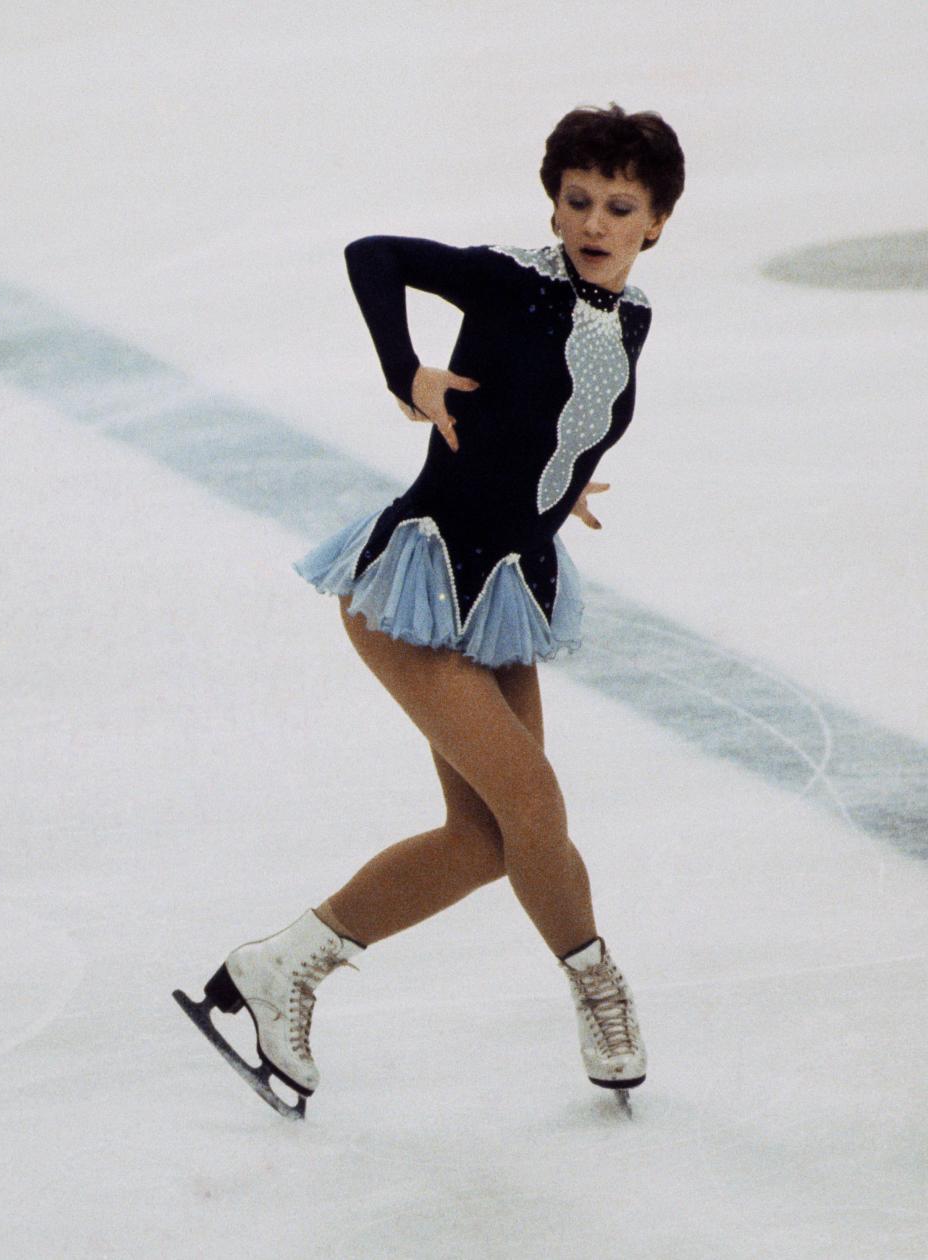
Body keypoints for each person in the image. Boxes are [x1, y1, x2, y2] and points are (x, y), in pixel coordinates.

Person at [180, 104, 686, 1115]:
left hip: (506, 589)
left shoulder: (630, 320)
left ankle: (282, 963)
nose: (592, 220)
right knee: (534, 804)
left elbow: (560, 413)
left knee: (492, 838)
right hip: (415, 585)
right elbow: (374, 256)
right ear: (555, 202)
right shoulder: (512, 280)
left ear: (655, 224)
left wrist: (555, 475)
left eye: (617, 206)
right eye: (577, 199)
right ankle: (596, 986)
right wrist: (402, 370)